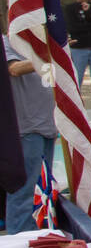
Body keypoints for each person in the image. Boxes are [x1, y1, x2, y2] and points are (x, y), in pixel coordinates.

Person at [4, 37, 56, 234]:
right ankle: (18, 239)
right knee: (23, 191)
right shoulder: (7, 42)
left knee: (42, 191)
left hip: (48, 127)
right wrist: (48, 57)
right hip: (26, 129)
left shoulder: (42, 43)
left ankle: (39, 236)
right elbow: (14, 69)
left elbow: (48, 80)